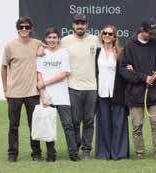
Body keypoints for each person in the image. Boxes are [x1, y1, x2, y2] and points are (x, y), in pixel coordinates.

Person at [1, 17, 44, 162]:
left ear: (31, 28)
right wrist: (5, 88)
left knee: (34, 125)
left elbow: (51, 47)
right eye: (21, 27)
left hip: (32, 92)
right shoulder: (9, 46)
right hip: (14, 93)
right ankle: (12, 154)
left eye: (26, 27)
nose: (24, 29)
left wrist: (42, 49)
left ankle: (36, 153)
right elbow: (3, 67)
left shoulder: (37, 43)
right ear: (17, 29)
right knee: (14, 126)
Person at [120, 17, 156, 159]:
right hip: (135, 94)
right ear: (142, 30)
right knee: (137, 126)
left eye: (154, 33)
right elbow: (124, 70)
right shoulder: (129, 45)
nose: (153, 35)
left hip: (155, 93)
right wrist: (144, 77)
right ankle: (140, 154)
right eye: (150, 33)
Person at [36, 27, 80, 162]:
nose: (52, 40)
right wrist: (43, 95)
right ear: (46, 39)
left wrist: (45, 83)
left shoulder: (63, 53)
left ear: (59, 39)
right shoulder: (41, 54)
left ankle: (73, 154)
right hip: (46, 97)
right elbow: (39, 75)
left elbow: (64, 73)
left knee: (68, 126)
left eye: (54, 37)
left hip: (62, 96)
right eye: (49, 37)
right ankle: (51, 155)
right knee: (49, 127)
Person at [61, 14, 101, 159]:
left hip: (91, 87)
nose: (80, 26)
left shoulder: (95, 40)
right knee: (75, 121)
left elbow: (109, 49)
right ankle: (75, 146)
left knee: (89, 121)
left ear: (87, 25)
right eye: (77, 23)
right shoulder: (64, 41)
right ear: (73, 25)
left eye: (82, 23)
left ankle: (86, 150)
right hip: (73, 86)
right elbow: (51, 51)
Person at [94, 25, 129, 160]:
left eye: (110, 34)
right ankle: (104, 153)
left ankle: (118, 154)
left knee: (118, 124)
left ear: (115, 37)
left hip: (118, 94)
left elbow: (126, 71)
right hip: (101, 94)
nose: (107, 36)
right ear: (101, 35)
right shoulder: (97, 52)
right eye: (105, 33)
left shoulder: (120, 52)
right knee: (104, 124)